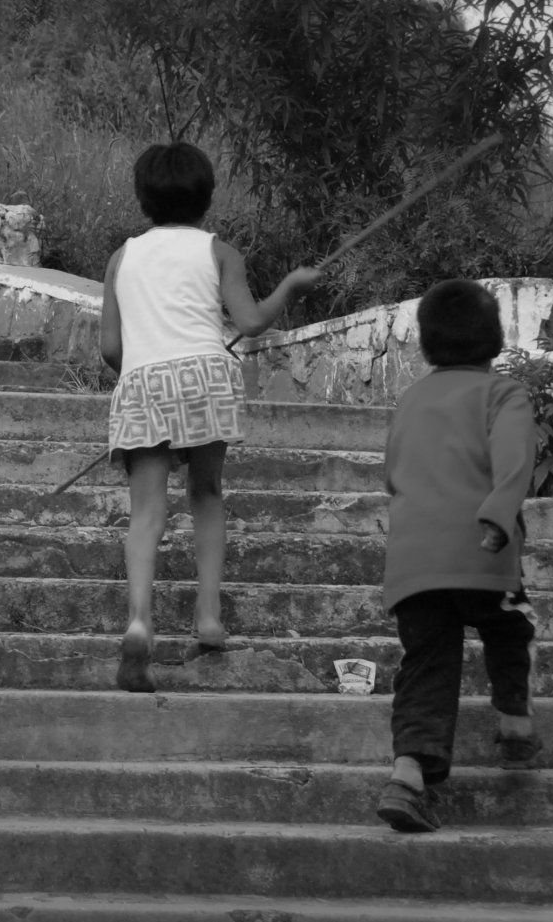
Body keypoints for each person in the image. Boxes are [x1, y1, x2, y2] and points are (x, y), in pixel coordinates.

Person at [99, 142, 320, 693]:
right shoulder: (220, 251)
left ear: (142, 198)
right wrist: (290, 285)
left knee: (146, 510)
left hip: (144, 380)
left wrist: (148, 368)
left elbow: (109, 349)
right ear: (207, 196)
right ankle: (207, 616)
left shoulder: (121, 257)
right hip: (206, 375)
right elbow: (249, 321)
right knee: (206, 494)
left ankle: (139, 620)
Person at [374, 278, 542, 834]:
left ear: (426, 344)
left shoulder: (411, 399)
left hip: (414, 564)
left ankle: (407, 777)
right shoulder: (504, 393)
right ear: (495, 338)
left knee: (427, 665)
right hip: (481, 550)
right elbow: (514, 455)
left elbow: (393, 471)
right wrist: (497, 513)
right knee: (509, 626)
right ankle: (515, 723)